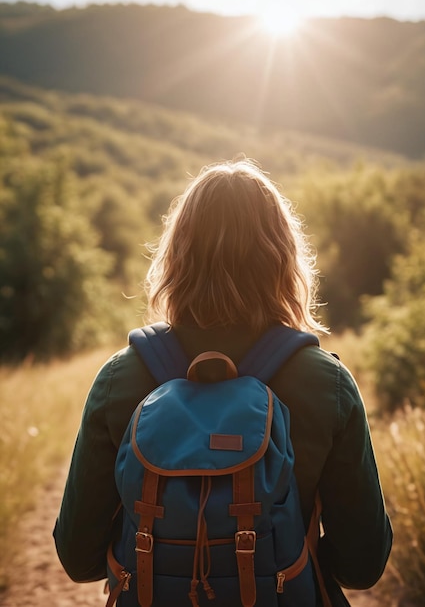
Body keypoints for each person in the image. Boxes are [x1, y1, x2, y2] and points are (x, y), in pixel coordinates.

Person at [54, 158, 392, 606]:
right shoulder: (326, 384)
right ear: (281, 259)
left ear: (176, 256)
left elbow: (79, 560)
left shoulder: (121, 378)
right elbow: (362, 566)